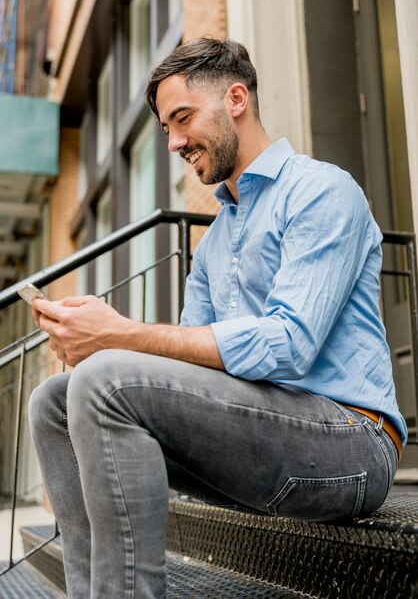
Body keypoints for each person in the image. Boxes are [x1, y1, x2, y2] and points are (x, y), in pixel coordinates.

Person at [28, 37, 407, 599]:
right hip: (259, 434)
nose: (176, 141)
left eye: (183, 118)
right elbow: (194, 363)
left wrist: (121, 338)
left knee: (106, 381)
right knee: (54, 400)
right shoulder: (213, 245)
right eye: (166, 129)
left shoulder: (322, 190)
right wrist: (97, 342)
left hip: (353, 445)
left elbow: (289, 345)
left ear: (236, 99)